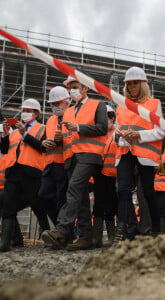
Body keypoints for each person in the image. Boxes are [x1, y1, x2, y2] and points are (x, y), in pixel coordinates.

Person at [41, 76, 108, 251]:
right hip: (71, 158)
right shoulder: (69, 112)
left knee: (74, 189)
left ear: (85, 88)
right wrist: (57, 139)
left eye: (75, 87)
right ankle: (86, 237)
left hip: (90, 155)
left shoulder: (97, 105)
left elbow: (102, 128)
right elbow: (67, 137)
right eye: (70, 88)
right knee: (82, 197)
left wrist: (78, 128)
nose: (72, 91)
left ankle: (62, 230)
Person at [113, 66, 165, 242]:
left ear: (143, 84)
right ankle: (122, 228)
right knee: (123, 190)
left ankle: (156, 229)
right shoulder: (121, 106)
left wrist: (140, 135)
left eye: (135, 83)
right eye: (129, 84)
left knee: (148, 192)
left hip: (144, 153)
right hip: (124, 150)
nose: (132, 86)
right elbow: (116, 129)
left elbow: (160, 132)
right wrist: (117, 135)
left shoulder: (154, 104)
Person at [0, 99, 49, 252]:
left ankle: (48, 238)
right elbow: (5, 150)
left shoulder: (43, 129)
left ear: (36, 114)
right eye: (24, 110)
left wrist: (25, 134)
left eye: (29, 110)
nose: (25, 113)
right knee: (8, 207)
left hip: (32, 173)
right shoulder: (14, 132)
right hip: (14, 172)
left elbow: (42, 148)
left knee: (38, 207)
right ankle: (6, 243)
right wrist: (5, 136)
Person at [38, 86, 70, 227]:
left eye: (58, 103)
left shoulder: (72, 115)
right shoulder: (51, 120)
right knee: (43, 197)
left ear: (66, 101)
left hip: (64, 164)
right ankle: (60, 227)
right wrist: (44, 143)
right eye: (53, 104)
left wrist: (61, 139)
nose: (55, 106)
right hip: (50, 165)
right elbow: (43, 141)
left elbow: (75, 139)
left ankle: (64, 231)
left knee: (62, 200)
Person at [92, 104, 118, 247]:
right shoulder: (98, 135)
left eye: (105, 118)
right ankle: (96, 238)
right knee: (98, 205)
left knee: (112, 206)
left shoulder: (117, 133)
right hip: (100, 175)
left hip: (114, 176)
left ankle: (112, 237)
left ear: (112, 118)